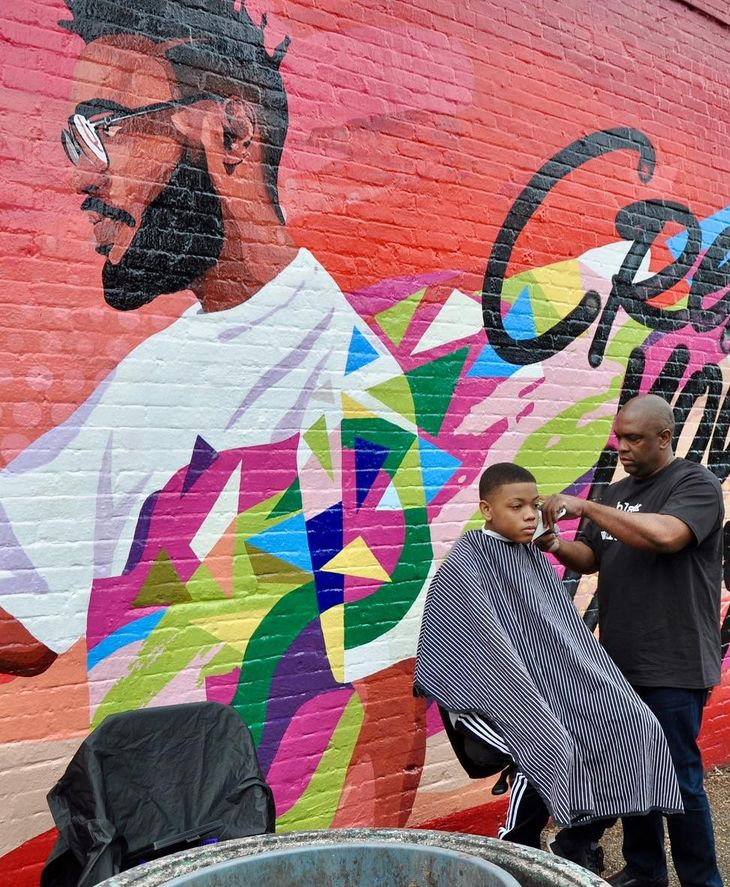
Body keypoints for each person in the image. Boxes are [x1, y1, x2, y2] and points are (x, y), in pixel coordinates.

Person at [0, 0, 429, 827]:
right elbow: (24, 613)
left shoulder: (348, 386)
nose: (82, 176)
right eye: (72, 144)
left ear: (233, 134)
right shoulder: (157, 374)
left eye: (102, 131)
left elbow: (383, 715)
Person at [414, 462, 683, 871]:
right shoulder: (466, 561)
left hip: (541, 692)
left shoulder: (533, 557)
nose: (528, 515)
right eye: (516, 506)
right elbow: (461, 650)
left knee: (634, 725)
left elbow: (560, 638)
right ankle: (515, 848)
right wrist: (526, 696)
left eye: (534, 506)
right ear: (487, 509)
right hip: (479, 704)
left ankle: (574, 840)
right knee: (546, 742)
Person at [537, 394, 726, 887]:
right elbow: (592, 558)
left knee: (680, 781)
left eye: (634, 438)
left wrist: (585, 504)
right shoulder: (616, 492)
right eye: (619, 437)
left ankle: (702, 882)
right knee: (634, 774)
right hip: (619, 661)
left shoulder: (694, 484)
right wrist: (555, 544)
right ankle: (646, 873)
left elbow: (666, 537)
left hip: (675, 661)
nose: (622, 447)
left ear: (665, 437)